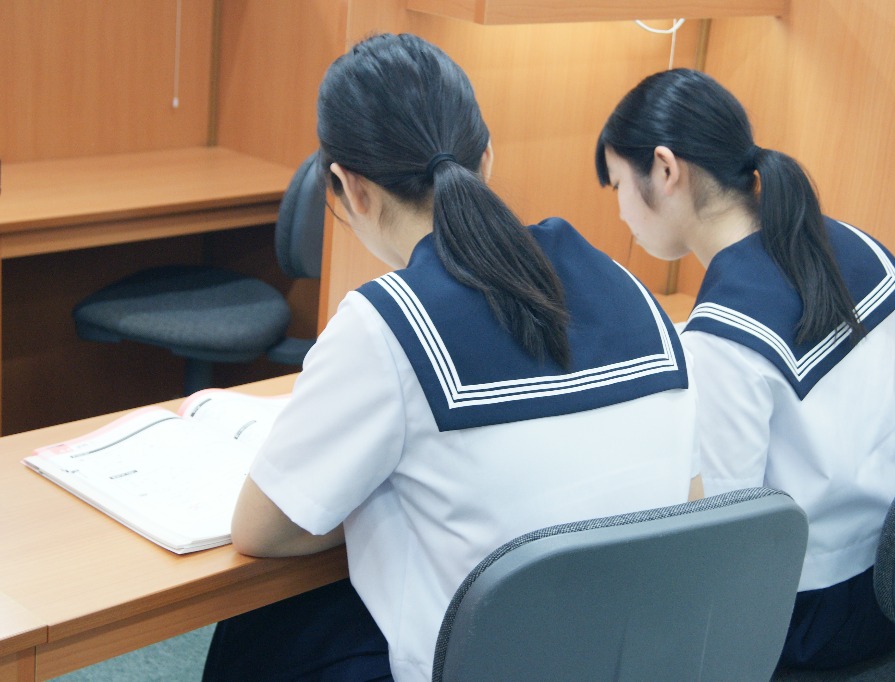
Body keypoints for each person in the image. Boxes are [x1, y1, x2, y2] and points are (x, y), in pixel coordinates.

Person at [203, 34, 701, 682]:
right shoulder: (630, 288)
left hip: (494, 661)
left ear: (349, 187)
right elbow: (686, 495)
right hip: (635, 656)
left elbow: (261, 530)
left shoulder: (387, 323)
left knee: (258, 633)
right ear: (486, 158)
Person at [595, 68, 895, 678]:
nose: (622, 213)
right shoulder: (839, 242)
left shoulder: (722, 331)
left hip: (815, 614)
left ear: (664, 169)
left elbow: (730, 524)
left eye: (618, 185)